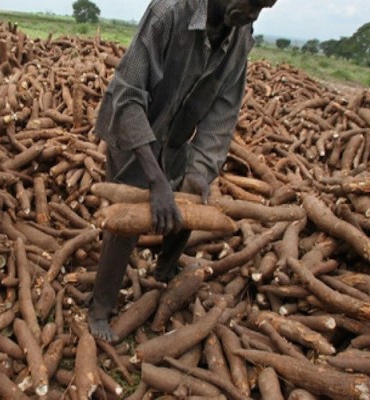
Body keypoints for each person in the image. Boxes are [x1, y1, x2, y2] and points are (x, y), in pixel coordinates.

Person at [88, 0, 278, 342]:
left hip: (177, 135)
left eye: (263, 8)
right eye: (251, 2)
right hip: (135, 130)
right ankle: (100, 307)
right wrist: (155, 179)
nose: (253, 15)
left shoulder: (239, 33)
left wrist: (202, 170)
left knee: (190, 198)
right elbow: (128, 95)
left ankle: (164, 269)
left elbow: (224, 110)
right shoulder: (170, 12)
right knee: (128, 220)